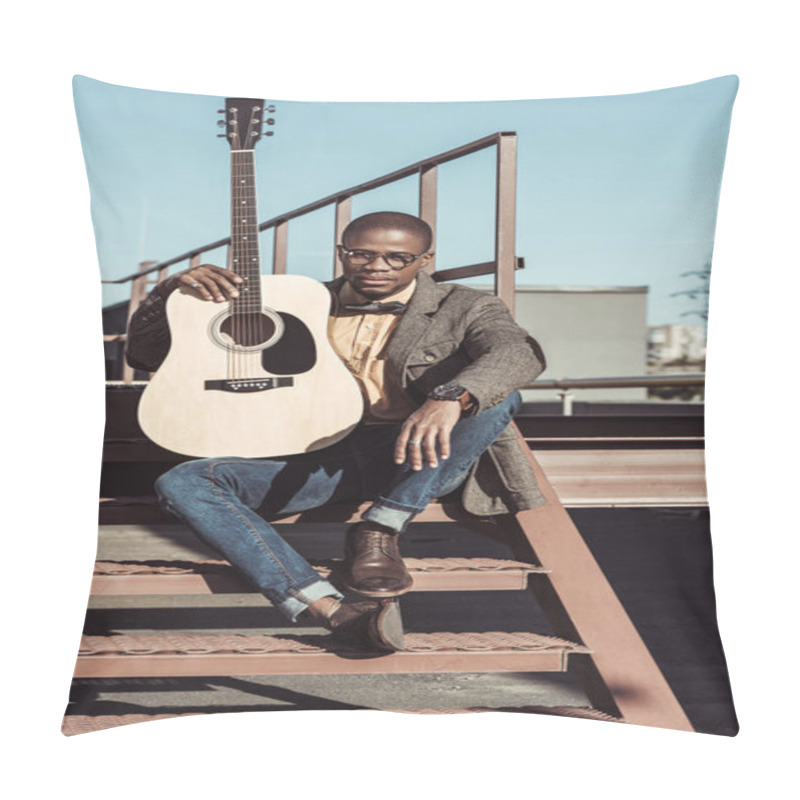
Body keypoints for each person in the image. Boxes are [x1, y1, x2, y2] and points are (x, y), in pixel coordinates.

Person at [125, 211, 547, 653]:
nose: (377, 267)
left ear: (425, 260)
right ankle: (328, 609)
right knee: (185, 481)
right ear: (341, 253)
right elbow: (145, 354)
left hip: (414, 454)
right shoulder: (298, 300)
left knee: (496, 398)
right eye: (361, 254)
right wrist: (170, 291)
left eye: (397, 258)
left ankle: (381, 528)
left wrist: (448, 397)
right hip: (317, 458)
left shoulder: (464, 305)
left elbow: (517, 354)